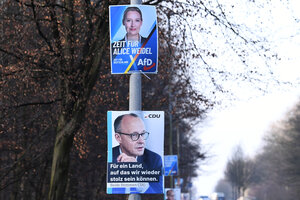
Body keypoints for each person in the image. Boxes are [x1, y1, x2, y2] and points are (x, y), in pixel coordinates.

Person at [112, 113, 163, 193]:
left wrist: (138, 173)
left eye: (143, 134)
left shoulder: (154, 160)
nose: (141, 141)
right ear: (118, 138)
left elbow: (157, 193)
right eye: (134, 135)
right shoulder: (109, 157)